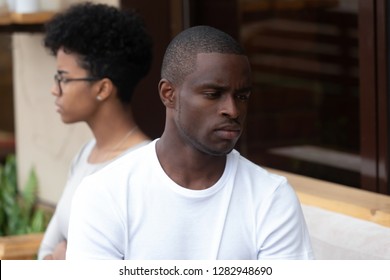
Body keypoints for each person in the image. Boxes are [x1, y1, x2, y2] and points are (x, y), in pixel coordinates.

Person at [66, 25, 313, 260]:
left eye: (242, 96)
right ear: (168, 94)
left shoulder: (271, 198)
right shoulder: (106, 194)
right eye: (213, 94)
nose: (233, 110)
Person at [37, 2, 153, 260]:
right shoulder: (87, 154)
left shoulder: (145, 169)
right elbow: (46, 252)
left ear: (103, 89)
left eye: (64, 78)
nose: (54, 90)